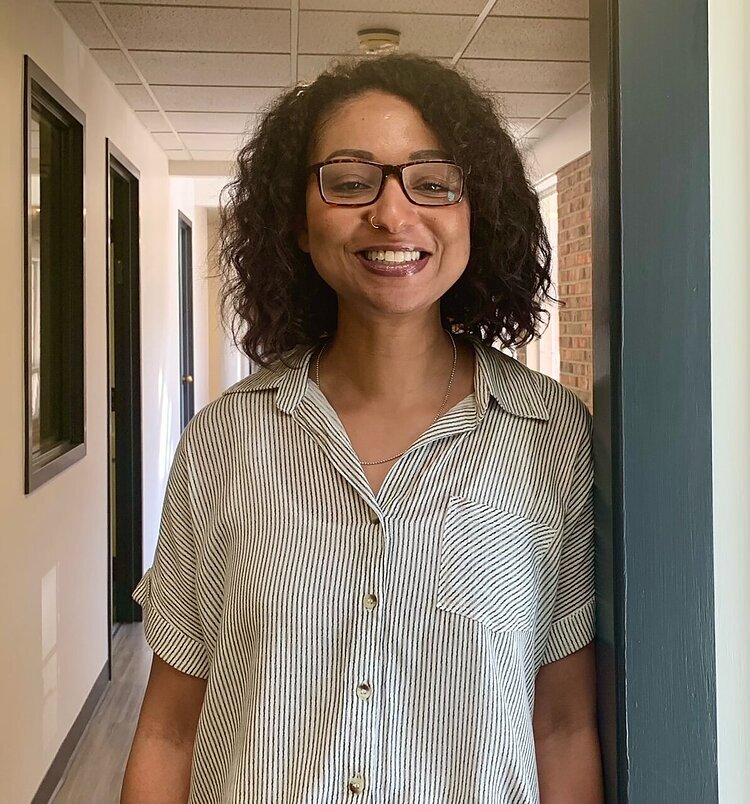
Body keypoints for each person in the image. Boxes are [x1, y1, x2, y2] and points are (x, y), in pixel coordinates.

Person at [121, 54, 603, 804]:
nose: (392, 214)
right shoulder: (223, 441)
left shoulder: (553, 437)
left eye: (433, 182)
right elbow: (170, 729)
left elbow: (563, 725)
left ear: (477, 212)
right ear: (298, 222)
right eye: (349, 183)